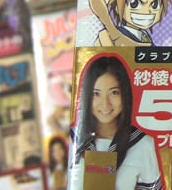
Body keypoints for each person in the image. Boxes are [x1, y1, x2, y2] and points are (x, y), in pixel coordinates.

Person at [69, 55, 162, 190]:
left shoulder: (142, 143)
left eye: (114, 93)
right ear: (86, 96)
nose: (105, 104)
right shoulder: (72, 140)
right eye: (96, 94)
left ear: (125, 95)